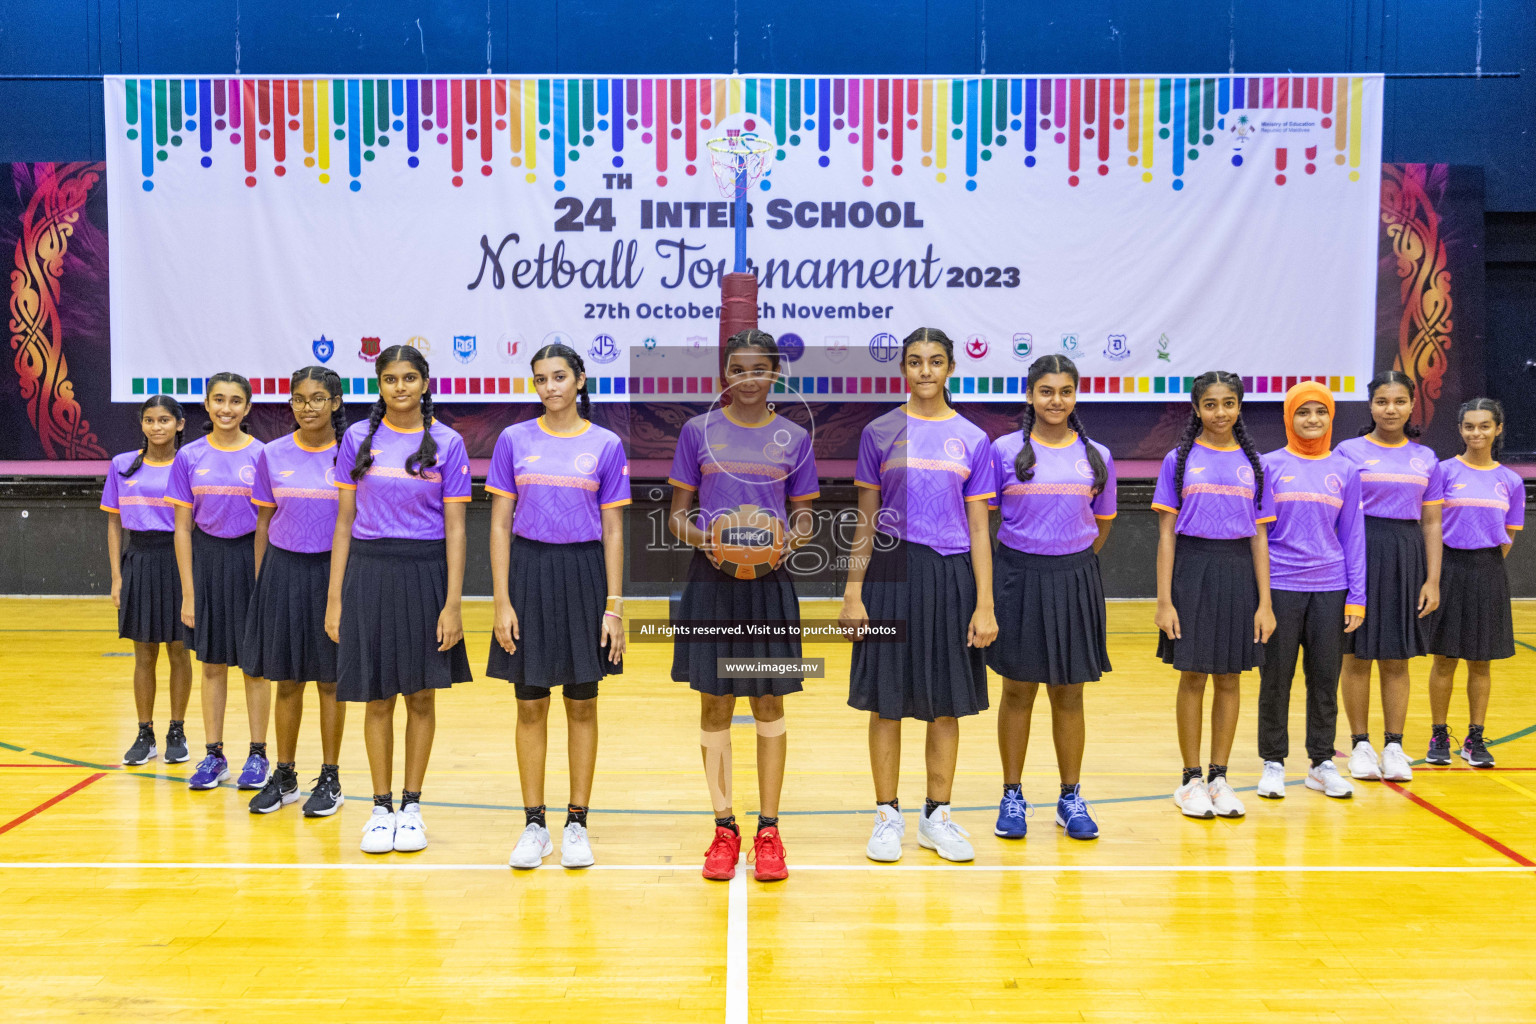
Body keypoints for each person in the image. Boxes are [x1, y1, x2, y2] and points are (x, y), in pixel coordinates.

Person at [840, 327, 997, 864]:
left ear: (951, 368)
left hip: (952, 577)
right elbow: (865, 519)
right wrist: (853, 591)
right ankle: (887, 815)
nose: (924, 371)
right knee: (886, 704)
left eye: (935, 361)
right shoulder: (879, 432)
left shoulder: (974, 440)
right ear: (902, 368)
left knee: (944, 706)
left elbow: (979, 528)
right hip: (890, 572)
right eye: (914, 361)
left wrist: (984, 603)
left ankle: (937, 817)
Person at [668, 330, 817, 882]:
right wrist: (708, 541)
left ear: (775, 373)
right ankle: (725, 827)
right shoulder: (696, 432)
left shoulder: (793, 437)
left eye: (759, 368)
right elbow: (678, 515)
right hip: (712, 584)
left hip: (769, 585)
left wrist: (786, 543)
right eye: (738, 368)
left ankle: (770, 830)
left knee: (769, 706)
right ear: (724, 376)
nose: (748, 378)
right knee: (714, 707)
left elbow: (804, 516)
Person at [326, 346, 473, 854]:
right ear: (379, 386)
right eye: (390, 379)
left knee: (421, 694)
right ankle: (381, 807)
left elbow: (456, 527)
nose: (400, 387)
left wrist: (453, 601)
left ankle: (412, 807)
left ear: (425, 383)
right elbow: (343, 522)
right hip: (368, 571)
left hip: (426, 572)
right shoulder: (356, 439)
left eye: (410, 378)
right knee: (378, 694)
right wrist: (334, 598)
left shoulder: (448, 444)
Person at [490, 344, 629, 870]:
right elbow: (500, 523)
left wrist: (614, 606)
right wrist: (501, 600)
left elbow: (614, 529)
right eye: (541, 379)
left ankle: (576, 823)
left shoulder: (607, 444)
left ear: (580, 380)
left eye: (559, 377)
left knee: (582, 702)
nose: (549, 387)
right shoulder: (513, 440)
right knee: (529, 703)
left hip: (583, 576)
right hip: (527, 575)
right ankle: (534, 825)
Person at [987, 355, 1113, 842]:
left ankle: (1070, 796)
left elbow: (1102, 525)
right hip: (1018, 577)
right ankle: (1013, 795)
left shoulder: (1096, 454)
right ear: (1030, 395)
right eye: (1046, 391)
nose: (1055, 400)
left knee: (1070, 692)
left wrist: (1069, 560)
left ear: (1075, 396)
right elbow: (985, 519)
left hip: (1076, 577)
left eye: (1064, 391)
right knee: (1018, 690)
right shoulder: (1003, 450)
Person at [1152, 370, 1275, 820]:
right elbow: (1166, 535)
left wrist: (1265, 602)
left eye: (1228, 403)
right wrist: (1164, 600)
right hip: (1192, 570)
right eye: (1210, 403)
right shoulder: (1178, 460)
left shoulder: (1254, 463)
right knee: (1194, 676)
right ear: (1196, 408)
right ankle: (1190, 780)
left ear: (1240, 407)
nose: (1219, 412)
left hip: (1239, 573)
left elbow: (1260, 538)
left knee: (1230, 677)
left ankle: (1220, 776)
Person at [242, 367, 348, 816]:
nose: (309, 407)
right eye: (300, 399)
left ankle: (330, 777)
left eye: (319, 398)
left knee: (329, 681)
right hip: (283, 573)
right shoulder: (273, 453)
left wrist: (342, 590)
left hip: (332, 573)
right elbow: (263, 522)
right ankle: (284, 774)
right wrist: (263, 582)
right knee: (288, 680)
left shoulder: (351, 454)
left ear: (336, 403)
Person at [1254, 382, 1366, 801]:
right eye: (1303, 412)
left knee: (1324, 679)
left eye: (1321, 411)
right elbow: (1259, 536)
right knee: (1275, 680)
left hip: (1331, 589)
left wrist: (1357, 596)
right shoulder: (1267, 466)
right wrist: (1261, 597)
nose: (1313, 419)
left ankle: (1321, 762)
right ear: (1289, 417)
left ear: (1331, 417)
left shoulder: (1347, 470)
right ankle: (1273, 761)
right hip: (1281, 587)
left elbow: (1353, 536)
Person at [1334, 370, 1444, 783]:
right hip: (1359, 551)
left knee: (1397, 657)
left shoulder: (1426, 458)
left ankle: (1394, 745)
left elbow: (1432, 522)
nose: (1390, 409)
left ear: (1412, 404)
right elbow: (1338, 512)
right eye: (1382, 401)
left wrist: (1432, 579)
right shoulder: (1347, 451)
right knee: (1357, 654)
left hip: (1406, 554)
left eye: (1399, 401)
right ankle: (1361, 744)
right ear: (1370, 405)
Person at [167, 373, 269, 792]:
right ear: (207, 406)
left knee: (255, 666)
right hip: (208, 562)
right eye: (218, 400)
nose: (226, 409)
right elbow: (181, 529)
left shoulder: (264, 454)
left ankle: (259, 755)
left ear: (247, 408)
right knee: (211, 663)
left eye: (235, 401)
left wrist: (265, 583)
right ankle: (214, 755)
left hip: (252, 558)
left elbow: (268, 523)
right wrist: (189, 592)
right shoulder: (188, 457)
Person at [1422, 398, 1523, 768]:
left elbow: (1509, 533)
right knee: (1444, 659)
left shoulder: (1510, 481)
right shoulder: (1444, 471)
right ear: (1461, 429)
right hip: (1448, 568)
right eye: (1469, 426)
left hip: (1488, 572)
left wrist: (1484, 565)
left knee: (1481, 662)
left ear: (1497, 429)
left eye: (1484, 426)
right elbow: (1429, 522)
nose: (1476, 433)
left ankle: (1475, 738)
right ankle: (1438, 734)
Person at [103, 395, 193, 766]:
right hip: (139, 558)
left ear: (180, 424)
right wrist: (116, 576)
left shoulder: (188, 464)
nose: (157, 427)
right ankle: (145, 732)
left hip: (178, 561)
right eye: (149, 420)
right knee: (143, 653)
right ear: (141, 424)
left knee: (177, 650)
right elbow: (112, 522)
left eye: (164, 420)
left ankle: (177, 730)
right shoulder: (122, 465)